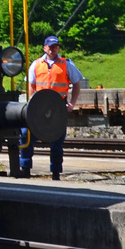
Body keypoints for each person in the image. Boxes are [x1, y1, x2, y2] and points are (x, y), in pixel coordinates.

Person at [22, 35, 83, 180]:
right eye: (50, 46)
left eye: (56, 46)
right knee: (26, 135)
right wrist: (31, 102)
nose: (53, 49)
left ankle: (55, 172)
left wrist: (72, 103)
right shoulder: (36, 64)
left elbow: (77, 83)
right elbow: (31, 84)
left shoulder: (66, 64)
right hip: (39, 107)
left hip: (57, 108)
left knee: (57, 142)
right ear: (45, 48)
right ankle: (25, 169)